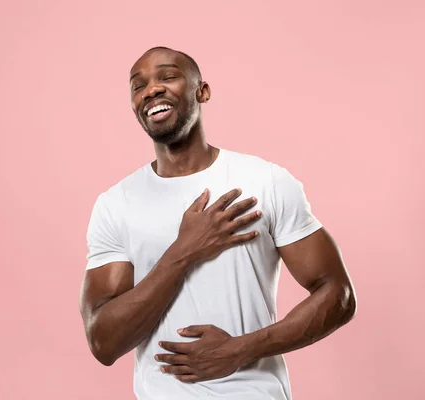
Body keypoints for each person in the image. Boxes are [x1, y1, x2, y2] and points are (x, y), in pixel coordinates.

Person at [79, 46, 356, 400]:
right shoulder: (115, 205)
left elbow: (338, 294)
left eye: (168, 76)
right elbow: (103, 342)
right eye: (138, 85)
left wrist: (242, 348)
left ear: (202, 91)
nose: (151, 89)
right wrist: (183, 251)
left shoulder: (264, 181)